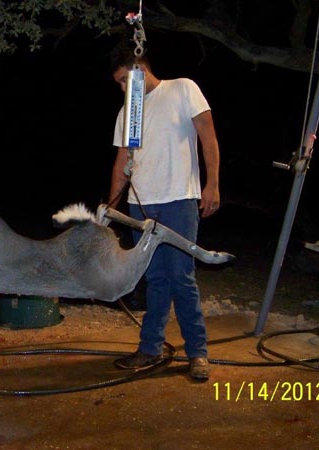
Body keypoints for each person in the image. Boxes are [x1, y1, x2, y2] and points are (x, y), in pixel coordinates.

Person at [108, 47, 220, 380]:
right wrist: (111, 207)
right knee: (155, 279)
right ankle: (150, 348)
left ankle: (197, 353)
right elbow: (122, 162)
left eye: (124, 80)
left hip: (179, 200)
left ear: (140, 69)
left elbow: (208, 137)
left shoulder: (183, 89)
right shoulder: (128, 112)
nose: (123, 89)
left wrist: (212, 184)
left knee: (181, 277)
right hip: (141, 204)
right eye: (118, 84)